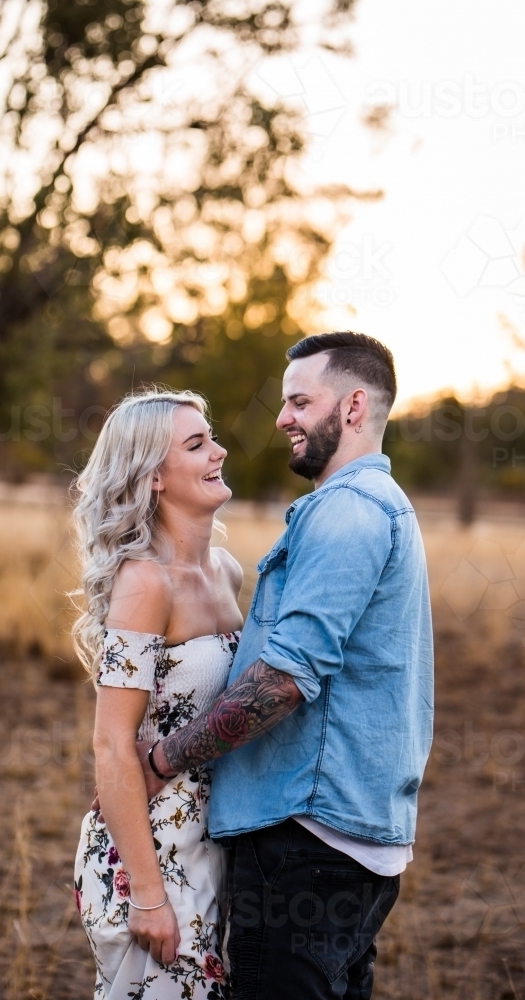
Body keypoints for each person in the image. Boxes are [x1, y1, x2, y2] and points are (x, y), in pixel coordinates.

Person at [138, 332, 434, 1000]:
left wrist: (161, 759)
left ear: (353, 407)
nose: (281, 419)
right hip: (341, 845)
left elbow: (284, 682)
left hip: (307, 843)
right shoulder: (376, 507)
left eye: (299, 401)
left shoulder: (347, 516)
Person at [72, 388, 243, 999]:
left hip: (214, 838)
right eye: (197, 445)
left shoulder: (226, 571)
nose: (219, 451)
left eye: (211, 436)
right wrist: (147, 896)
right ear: (152, 479)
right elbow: (111, 745)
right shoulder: (144, 583)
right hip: (151, 852)